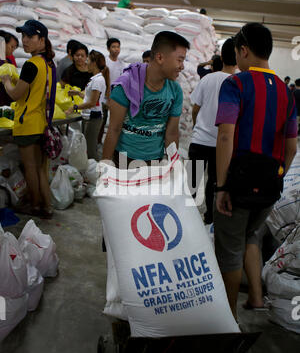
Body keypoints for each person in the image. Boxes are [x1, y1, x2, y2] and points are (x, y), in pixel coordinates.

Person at [214, 22, 297, 320]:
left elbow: (225, 135)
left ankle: (228, 320)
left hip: (238, 186)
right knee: (251, 238)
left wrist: (222, 186)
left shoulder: (236, 84)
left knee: (230, 253)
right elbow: (291, 148)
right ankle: (257, 301)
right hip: (269, 189)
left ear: (244, 50)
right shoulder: (288, 95)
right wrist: (277, 176)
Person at [101, 31, 189, 165]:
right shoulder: (126, 85)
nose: (182, 66)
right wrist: (105, 164)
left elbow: (171, 133)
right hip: (124, 159)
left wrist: (172, 163)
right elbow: (114, 129)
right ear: (160, 58)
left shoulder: (175, 90)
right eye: (179, 60)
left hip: (155, 160)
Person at [0, 20, 57, 219]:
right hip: (42, 123)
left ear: (42, 40)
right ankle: (47, 207)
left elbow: (15, 95)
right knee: (41, 169)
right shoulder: (48, 63)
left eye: (30, 36)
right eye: (23, 36)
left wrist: (7, 81)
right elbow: (35, 89)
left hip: (27, 124)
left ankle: (34, 206)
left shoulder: (31, 64)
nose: (25, 40)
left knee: (30, 169)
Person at [189, 37, 237, 224]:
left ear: (221, 57)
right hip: (221, 146)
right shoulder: (238, 82)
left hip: (199, 140)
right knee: (215, 184)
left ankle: (186, 220)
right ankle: (209, 219)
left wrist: (196, 127)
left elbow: (195, 108)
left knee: (192, 183)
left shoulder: (207, 78)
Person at [66, 50, 110, 160]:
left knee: (90, 150)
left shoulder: (98, 80)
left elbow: (91, 103)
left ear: (94, 63)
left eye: (88, 60)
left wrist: (74, 107)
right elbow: (90, 98)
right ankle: (90, 172)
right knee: (87, 148)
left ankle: (96, 173)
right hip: (89, 116)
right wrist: (77, 93)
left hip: (93, 117)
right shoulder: (94, 79)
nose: (86, 63)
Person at [98, 38, 126, 147]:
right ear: (108, 48)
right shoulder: (105, 62)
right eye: (113, 47)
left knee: (115, 123)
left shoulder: (121, 64)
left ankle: (112, 144)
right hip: (104, 97)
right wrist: (107, 96)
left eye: (118, 47)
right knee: (102, 121)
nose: (116, 49)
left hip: (116, 98)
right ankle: (98, 142)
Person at [0, 30, 19, 106]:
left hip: (8, 101)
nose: (13, 50)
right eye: (12, 47)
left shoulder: (10, 61)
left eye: (15, 48)